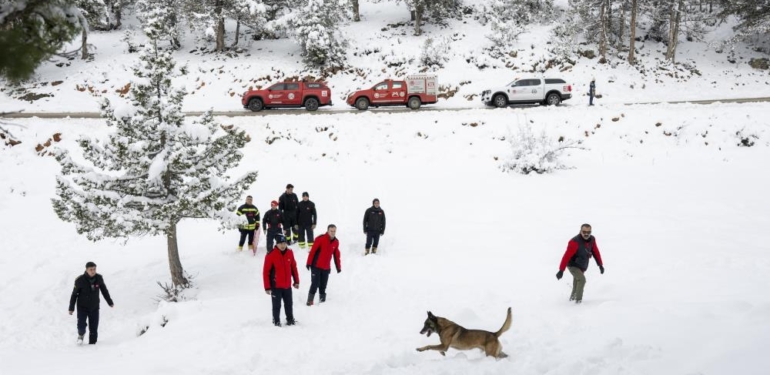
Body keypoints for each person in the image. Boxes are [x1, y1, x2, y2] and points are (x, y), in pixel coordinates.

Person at [556, 224, 605, 304]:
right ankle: (578, 302)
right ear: (580, 231)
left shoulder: (592, 239)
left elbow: (596, 252)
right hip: (572, 265)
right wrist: (561, 270)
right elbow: (566, 256)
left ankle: (572, 299)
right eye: (584, 232)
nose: (586, 234)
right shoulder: (574, 242)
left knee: (577, 282)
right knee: (582, 280)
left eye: (588, 232)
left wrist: (600, 265)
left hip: (581, 265)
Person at [68, 262, 114, 345]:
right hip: (82, 307)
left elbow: (104, 291)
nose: (93, 271)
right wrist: (71, 308)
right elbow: (74, 294)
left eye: (94, 269)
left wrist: (109, 302)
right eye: (91, 269)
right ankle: (81, 335)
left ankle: (93, 346)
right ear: (86, 270)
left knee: (94, 328)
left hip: (94, 307)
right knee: (81, 326)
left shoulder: (99, 278)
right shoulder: (80, 280)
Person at [263, 234, 300, 326]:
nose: (283, 245)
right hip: (276, 286)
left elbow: (293, 268)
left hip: (287, 285)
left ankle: (290, 319)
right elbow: (266, 272)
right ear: (276, 244)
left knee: (289, 304)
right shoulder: (271, 255)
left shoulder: (290, 252)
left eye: (284, 243)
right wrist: (267, 287)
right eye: (280, 244)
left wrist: (296, 281)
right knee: (276, 306)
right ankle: (276, 321)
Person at [306, 224, 341, 306]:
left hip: (326, 268)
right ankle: (309, 301)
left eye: (334, 231)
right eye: (331, 231)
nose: (333, 233)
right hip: (316, 266)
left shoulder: (336, 242)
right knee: (314, 284)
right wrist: (308, 263)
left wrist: (338, 267)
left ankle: (322, 302)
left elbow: (336, 255)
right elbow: (313, 251)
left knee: (323, 286)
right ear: (328, 231)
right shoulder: (320, 239)